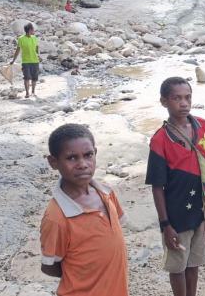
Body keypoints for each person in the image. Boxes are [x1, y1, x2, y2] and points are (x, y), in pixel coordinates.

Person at [146, 77, 205, 296]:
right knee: (178, 266)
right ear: (164, 101)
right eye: (176, 98)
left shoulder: (203, 127)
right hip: (176, 215)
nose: (184, 103)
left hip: (201, 209)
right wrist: (165, 225)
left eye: (188, 97)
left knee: (193, 263)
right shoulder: (160, 140)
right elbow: (157, 187)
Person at [40, 123, 130, 296]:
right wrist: (82, 275)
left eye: (88, 155)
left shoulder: (106, 193)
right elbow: (49, 266)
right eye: (71, 158)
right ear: (53, 162)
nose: (82, 164)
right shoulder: (57, 218)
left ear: (95, 153)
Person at [9, 23, 40, 98]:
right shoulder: (21, 39)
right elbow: (18, 50)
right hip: (26, 62)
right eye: (33, 29)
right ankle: (27, 93)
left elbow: (37, 48)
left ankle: (33, 92)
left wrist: (39, 56)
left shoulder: (35, 38)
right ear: (30, 30)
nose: (34, 30)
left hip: (35, 61)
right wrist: (13, 60)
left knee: (34, 78)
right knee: (26, 77)